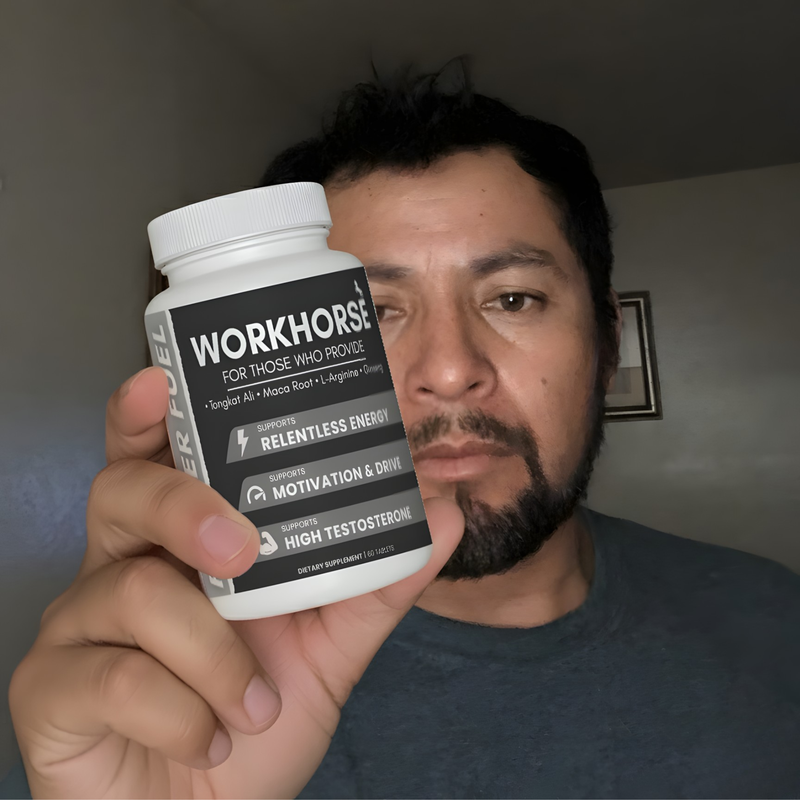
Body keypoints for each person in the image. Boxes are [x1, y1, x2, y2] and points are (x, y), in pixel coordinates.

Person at [6, 64, 800, 800]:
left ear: (608, 344)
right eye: (370, 311)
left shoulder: (774, 619)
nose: (448, 371)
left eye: (513, 299)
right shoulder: (173, 707)